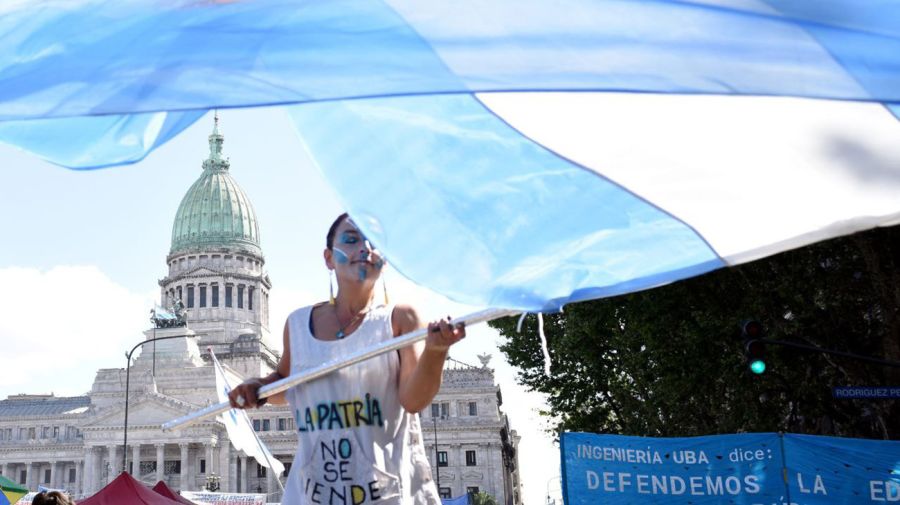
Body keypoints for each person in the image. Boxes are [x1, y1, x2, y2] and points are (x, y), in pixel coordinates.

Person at [228, 213, 465, 504]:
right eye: (351, 240)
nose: (364, 248)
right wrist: (257, 387)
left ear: (385, 260)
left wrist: (436, 351)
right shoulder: (298, 324)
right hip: (313, 493)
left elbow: (413, 400)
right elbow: (289, 385)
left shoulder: (400, 319)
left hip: (384, 492)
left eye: (373, 243)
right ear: (329, 258)